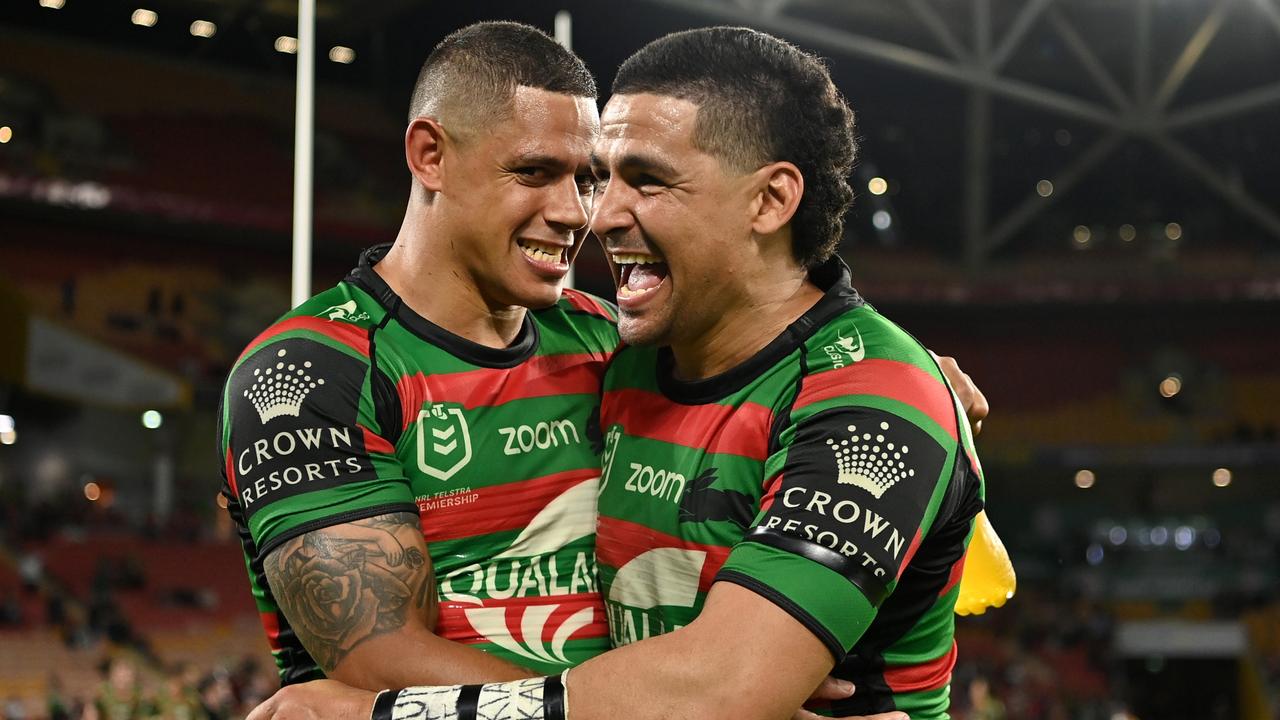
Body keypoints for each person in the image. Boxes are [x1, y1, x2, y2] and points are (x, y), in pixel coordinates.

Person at [246, 25, 987, 720]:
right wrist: (686, 707)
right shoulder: (312, 371)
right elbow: (378, 661)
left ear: (771, 198)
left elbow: (724, 681)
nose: (586, 214)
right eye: (537, 172)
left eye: (614, 179)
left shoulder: (613, 342)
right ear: (430, 155)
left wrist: (915, 396)